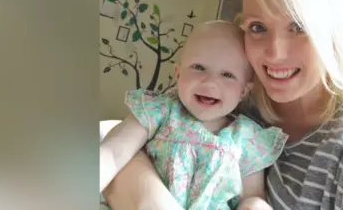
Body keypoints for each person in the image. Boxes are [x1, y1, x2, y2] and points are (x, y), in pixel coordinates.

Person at [103, 0, 343, 210]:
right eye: (258, 27)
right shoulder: (222, 96)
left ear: (338, 33)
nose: (275, 53)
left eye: (299, 27)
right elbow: (116, 147)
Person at [100, 20, 289, 210]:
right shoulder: (158, 111)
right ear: (178, 73)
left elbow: (252, 195)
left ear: (244, 91)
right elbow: (112, 153)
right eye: (198, 67)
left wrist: (255, 205)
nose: (210, 82)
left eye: (227, 75)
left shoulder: (248, 138)